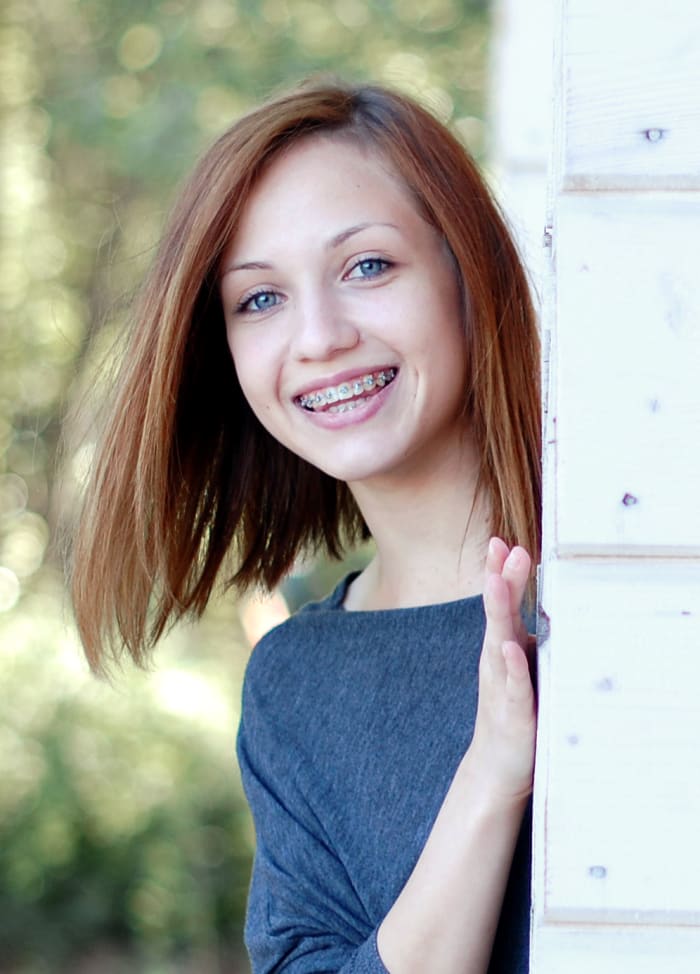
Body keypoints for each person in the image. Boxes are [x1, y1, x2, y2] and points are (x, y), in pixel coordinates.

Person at [71, 79, 541, 973]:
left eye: (367, 266)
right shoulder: (296, 686)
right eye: (260, 300)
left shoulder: (638, 577)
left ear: (467, 272)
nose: (318, 338)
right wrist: (490, 779)